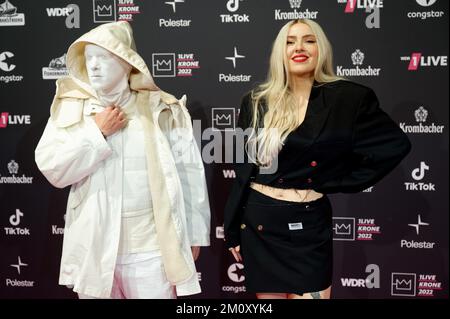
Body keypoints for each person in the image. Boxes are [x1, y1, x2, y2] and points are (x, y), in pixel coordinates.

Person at [224, 19, 411, 299]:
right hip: (261, 222)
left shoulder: (349, 98)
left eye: (308, 40)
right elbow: (243, 169)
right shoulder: (256, 101)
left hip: (309, 226)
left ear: (320, 48)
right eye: (290, 41)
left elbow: (394, 145)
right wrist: (231, 229)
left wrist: (336, 180)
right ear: (280, 52)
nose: (299, 47)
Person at [35, 21, 211, 299]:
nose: (93, 66)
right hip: (95, 247)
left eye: (102, 57)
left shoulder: (162, 108)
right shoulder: (72, 108)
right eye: (89, 58)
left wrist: (196, 232)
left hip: (153, 250)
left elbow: (188, 171)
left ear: (128, 63)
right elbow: (54, 169)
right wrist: (96, 132)